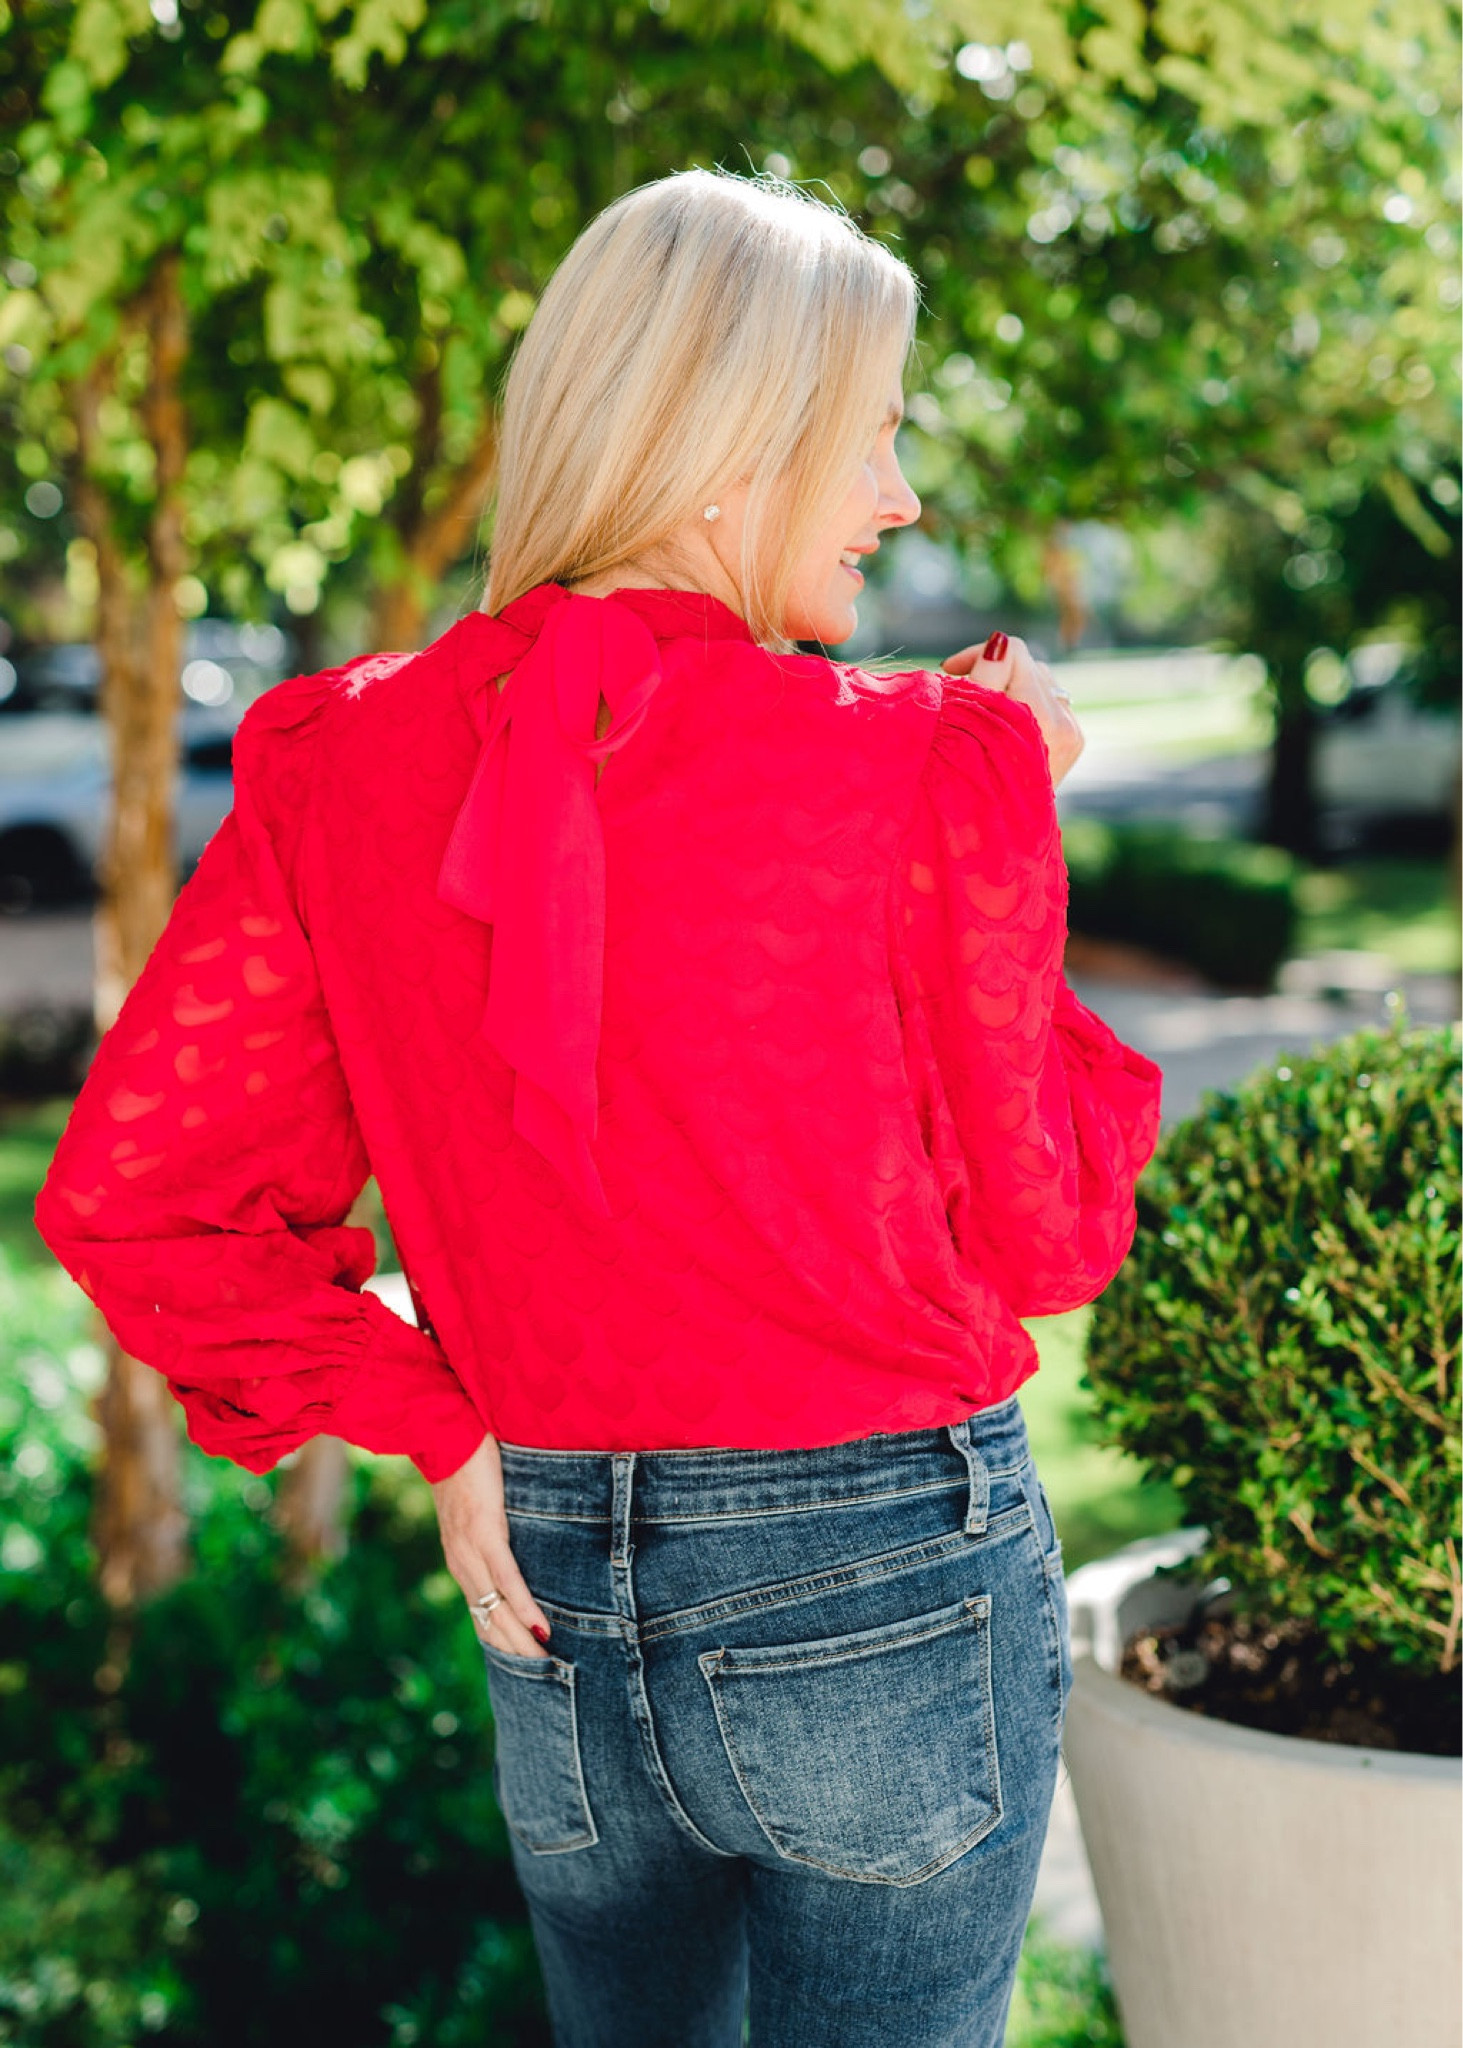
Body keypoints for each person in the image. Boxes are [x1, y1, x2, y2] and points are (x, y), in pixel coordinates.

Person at [36, 169, 1162, 2046]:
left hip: (549, 1583)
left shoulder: (344, 757)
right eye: (876, 438)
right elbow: (1052, 1235)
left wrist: (430, 1419)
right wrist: (1009, 806)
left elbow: (139, 1197)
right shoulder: (919, 767)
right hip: (884, 1570)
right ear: (743, 447)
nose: (898, 498)